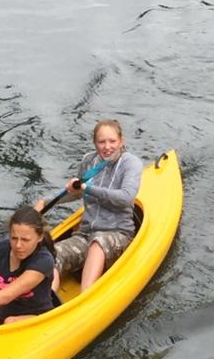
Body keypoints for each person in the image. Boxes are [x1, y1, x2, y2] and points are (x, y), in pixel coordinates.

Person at [35, 119, 143, 291]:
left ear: (121, 141)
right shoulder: (88, 161)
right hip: (86, 234)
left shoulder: (131, 163)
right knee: (52, 256)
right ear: (95, 143)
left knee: (98, 243)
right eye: (101, 142)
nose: (107, 146)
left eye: (112, 141)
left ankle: (87, 295)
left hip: (118, 233)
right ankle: (46, 301)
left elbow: (126, 198)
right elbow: (76, 192)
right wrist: (45, 202)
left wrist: (89, 188)